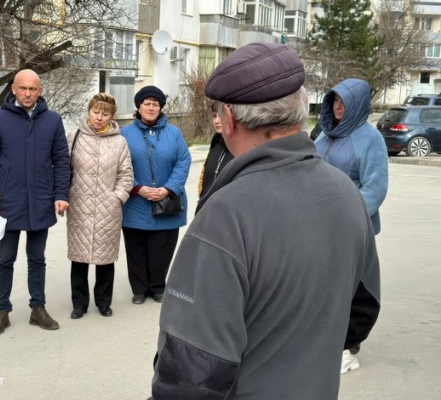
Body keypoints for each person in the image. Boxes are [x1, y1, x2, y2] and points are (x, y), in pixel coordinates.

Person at [150, 43, 381, 399]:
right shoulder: (346, 193)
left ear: (228, 118)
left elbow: (188, 375)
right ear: (301, 107)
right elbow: (362, 310)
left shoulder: (225, 215)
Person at [0, 69, 70, 335]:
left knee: (37, 258)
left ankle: (37, 308)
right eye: (23, 88)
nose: (28, 93)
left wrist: (61, 194)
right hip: (8, 202)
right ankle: (1, 310)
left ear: (40, 90)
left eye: (33, 88)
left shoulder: (53, 121)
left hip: (41, 200)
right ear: (14, 89)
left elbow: (61, 161)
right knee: (5, 259)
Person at [314, 78, 389, 374]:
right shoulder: (325, 134)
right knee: (323, 288)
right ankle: (324, 341)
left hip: (351, 229)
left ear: (358, 105)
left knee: (351, 290)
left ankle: (349, 349)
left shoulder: (370, 139)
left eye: (344, 102)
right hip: (319, 226)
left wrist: (345, 216)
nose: (338, 107)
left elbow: (376, 188)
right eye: (334, 100)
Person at [121, 86, 191, 305]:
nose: (151, 108)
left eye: (155, 104)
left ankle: (158, 286)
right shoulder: (124, 134)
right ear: (139, 106)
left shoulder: (174, 133)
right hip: (135, 202)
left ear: (160, 107)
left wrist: (168, 188)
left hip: (167, 202)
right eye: (147, 103)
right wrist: (137, 188)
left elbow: (183, 161)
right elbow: (119, 165)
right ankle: (139, 289)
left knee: (162, 248)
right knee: (136, 248)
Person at [67, 93, 133, 319]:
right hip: (79, 206)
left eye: (104, 114)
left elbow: (126, 174)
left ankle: (104, 302)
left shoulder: (119, 142)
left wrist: (117, 198)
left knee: (105, 259)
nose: (99, 117)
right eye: (95, 112)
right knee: (79, 258)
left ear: (111, 116)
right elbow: (63, 168)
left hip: (108, 208)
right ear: (89, 111)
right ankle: (79, 304)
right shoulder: (74, 137)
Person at [196, 108, 234, 209]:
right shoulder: (215, 144)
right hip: (206, 210)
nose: (216, 121)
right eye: (214, 116)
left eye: (221, 115)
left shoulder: (238, 149)